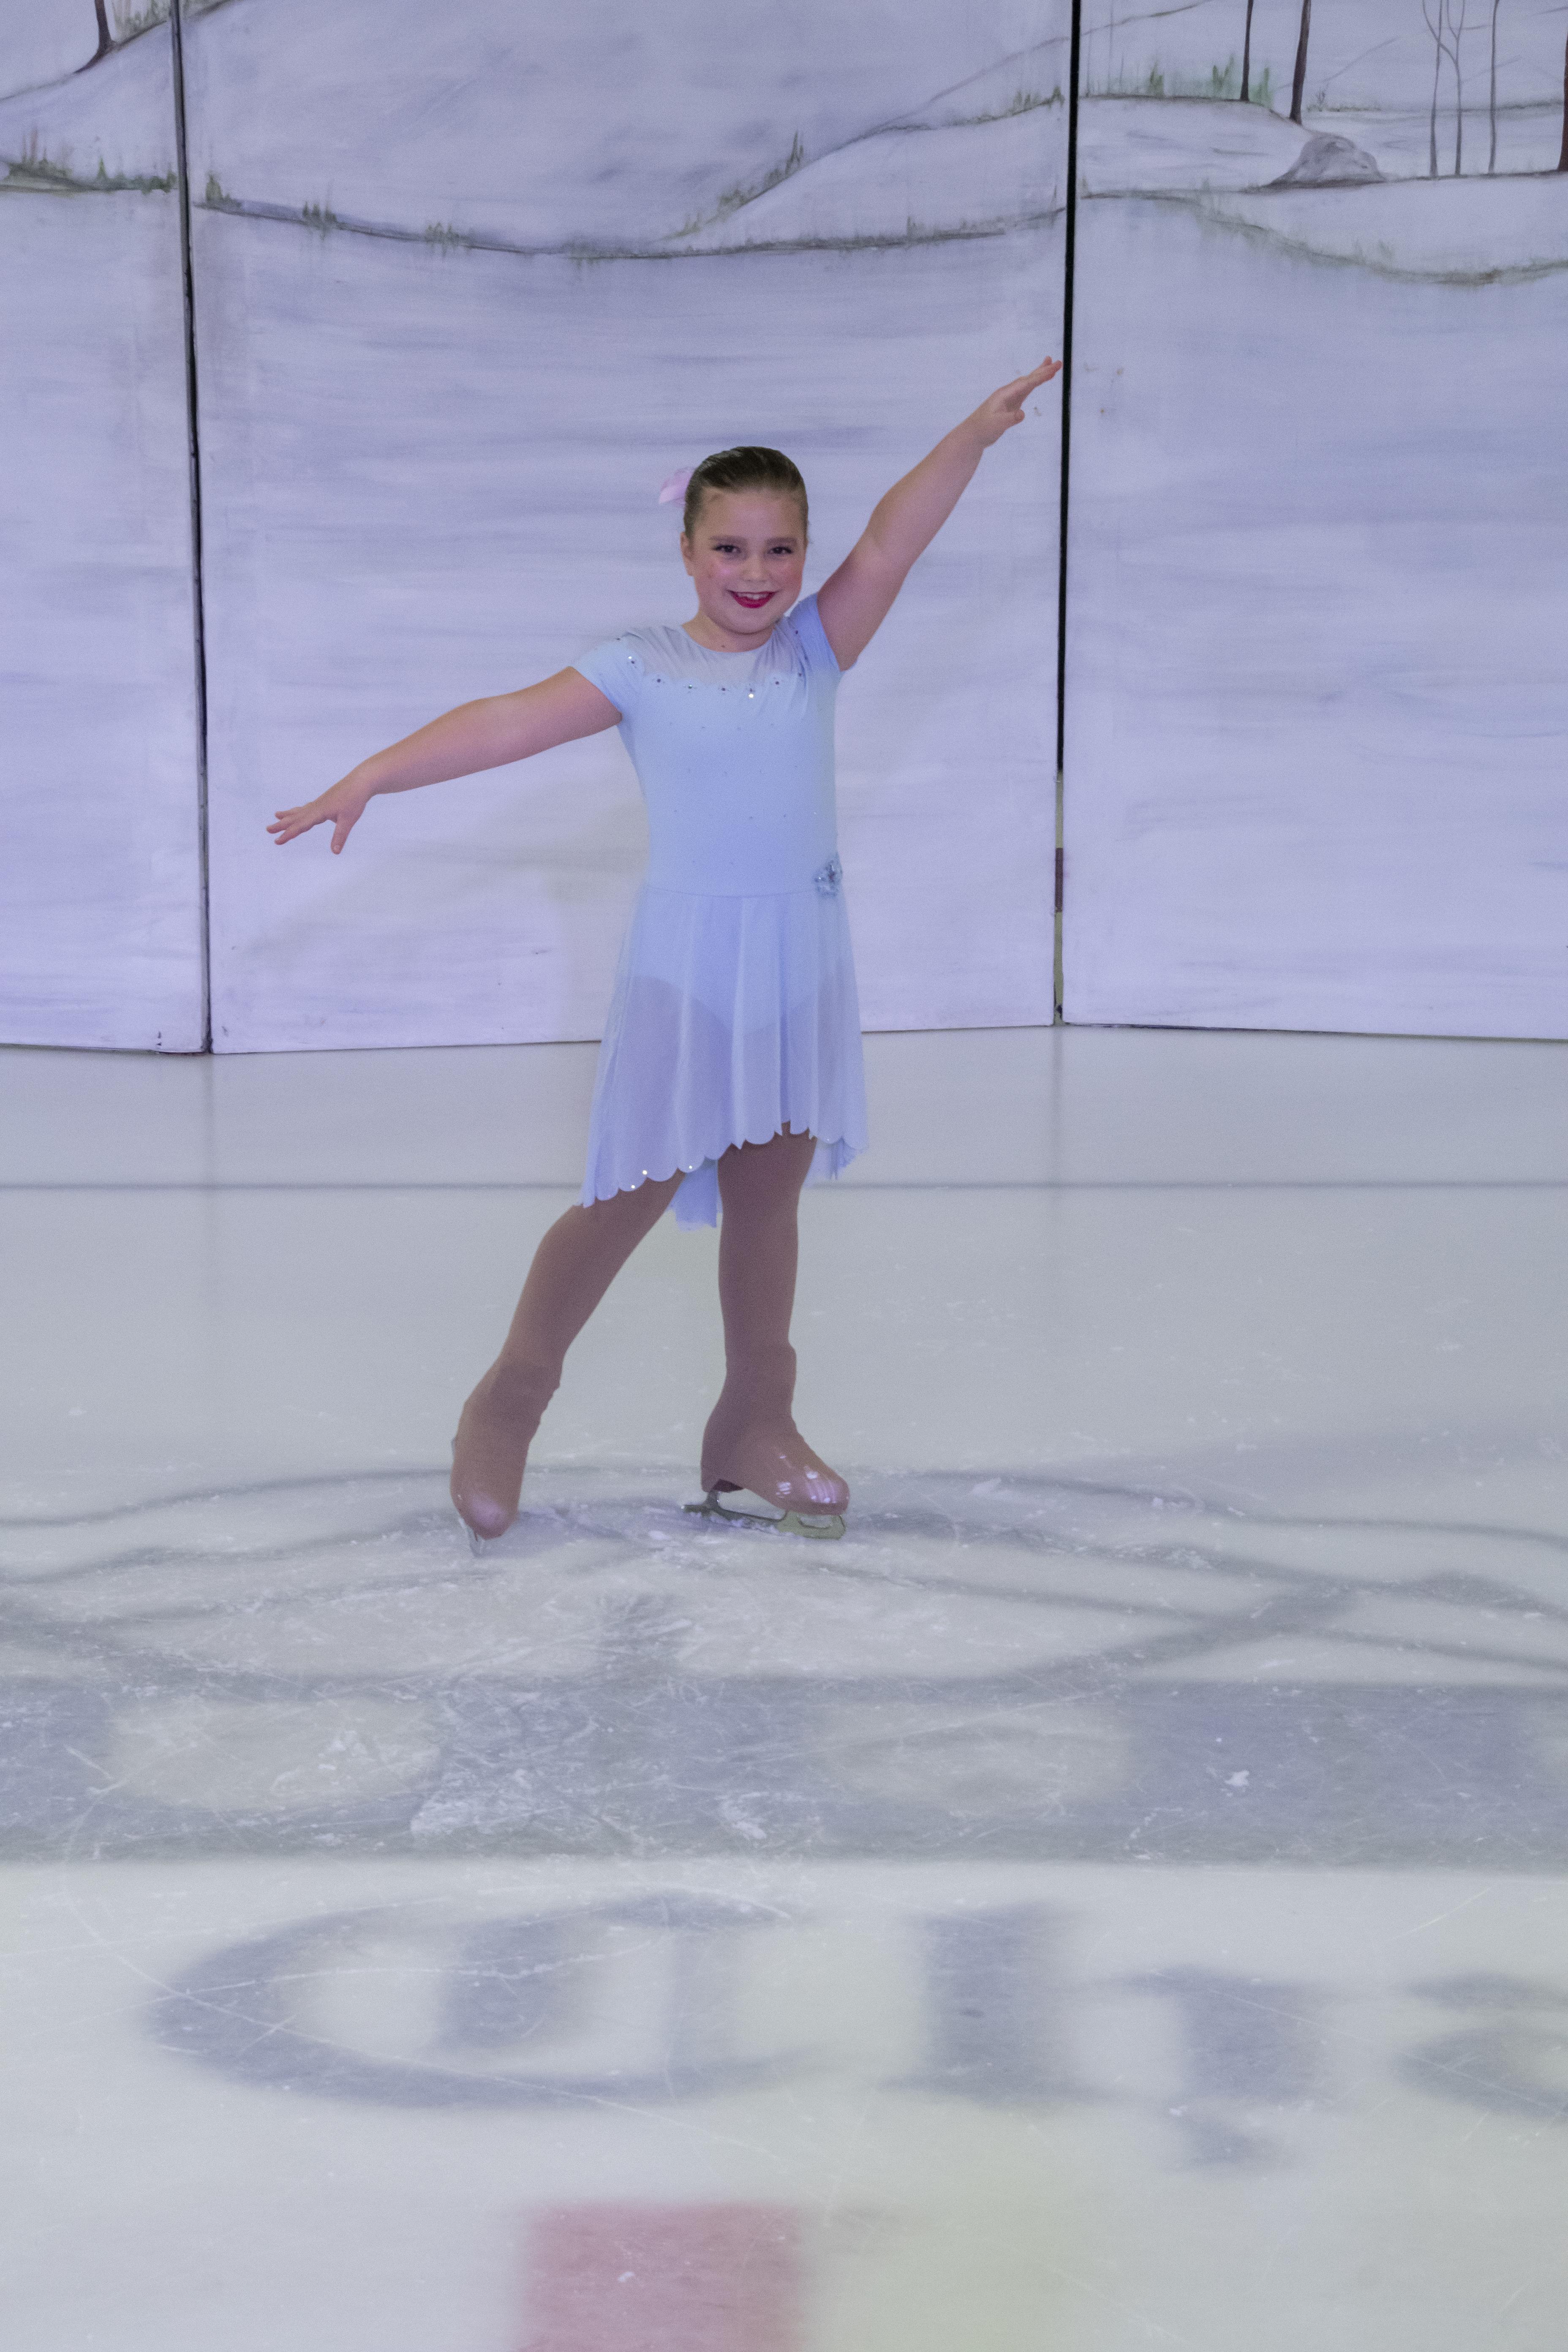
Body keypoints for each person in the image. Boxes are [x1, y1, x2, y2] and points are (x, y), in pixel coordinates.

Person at [269, 359, 1061, 1545]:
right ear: (688, 552)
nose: (756, 572)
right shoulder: (641, 665)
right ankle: (509, 1397)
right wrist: (375, 774)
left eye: (780, 550)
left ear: (805, 555)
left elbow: (895, 542)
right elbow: (506, 721)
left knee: (770, 1198)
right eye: (730, 548)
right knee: (624, 1196)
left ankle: (755, 1420)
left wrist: (973, 437)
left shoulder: (814, 651)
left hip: (799, 957)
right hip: (688, 969)